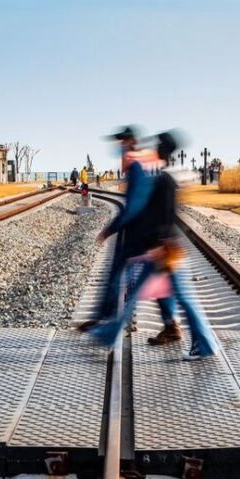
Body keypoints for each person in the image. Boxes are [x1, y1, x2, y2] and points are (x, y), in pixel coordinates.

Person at [88, 131, 218, 360]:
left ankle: (108, 335)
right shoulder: (165, 176)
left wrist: (156, 243)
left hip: (161, 249)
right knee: (180, 298)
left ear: (161, 150)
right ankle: (203, 344)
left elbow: (166, 214)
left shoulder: (162, 179)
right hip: (165, 247)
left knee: (142, 296)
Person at [78, 125, 179, 344]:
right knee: (156, 279)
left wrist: (111, 228)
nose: (119, 146)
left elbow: (134, 204)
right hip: (144, 233)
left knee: (120, 278)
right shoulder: (139, 163)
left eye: (122, 141)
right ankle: (170, 325)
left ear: (130, 142)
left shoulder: (136, 165)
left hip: (137, 234)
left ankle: (105, 323)